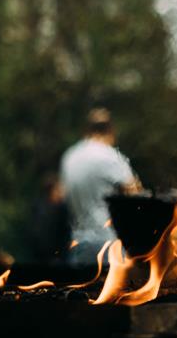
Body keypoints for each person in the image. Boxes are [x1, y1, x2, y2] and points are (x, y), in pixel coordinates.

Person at [60, 108, 141, 265]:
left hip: (78, 244)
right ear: (110, 131)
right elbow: (135, 195)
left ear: (86, 130)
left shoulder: (69, 157)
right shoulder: (109, 155)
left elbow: (63, 196)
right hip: (108, 244)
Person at [28, 175, 71, 264]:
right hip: (52, 259)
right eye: (59, 190)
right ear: (52, 191)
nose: (63, 192)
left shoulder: (39, 206)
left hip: (46, 257)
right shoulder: (54, 209)